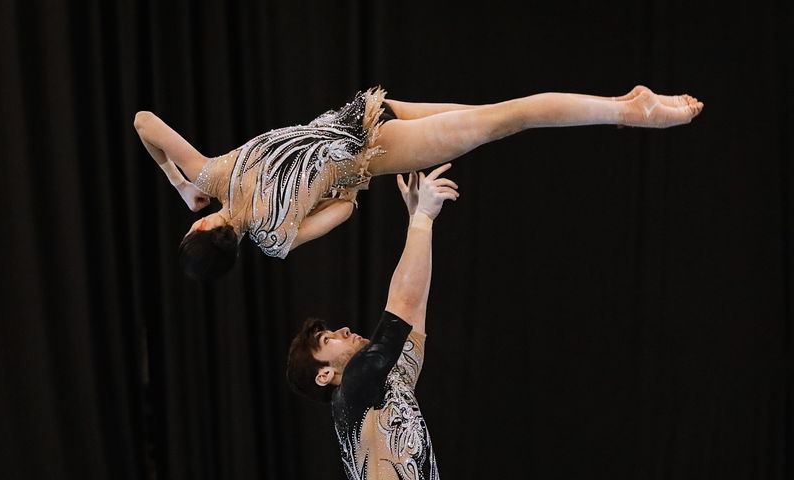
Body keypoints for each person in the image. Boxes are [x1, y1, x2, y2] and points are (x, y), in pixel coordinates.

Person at [133, 85, 703, 279]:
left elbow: (346, 211)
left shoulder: (275, 238)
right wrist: (180, 184)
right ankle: (621, 103)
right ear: (198, 226)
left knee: (512, 118)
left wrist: (340, 184)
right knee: (499, 115)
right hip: (363, 111)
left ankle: (633, 111)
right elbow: (144, 122)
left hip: (379, 148)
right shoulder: (212, 171)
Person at [286, 163, 457, 480]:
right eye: (328, 339)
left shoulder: (385, 387)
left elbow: (414, 311)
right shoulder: (352, 391)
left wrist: (418, 224)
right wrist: (423, 220)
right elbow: (402, 307)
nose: (343, 330)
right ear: (324, 375)